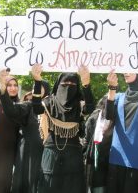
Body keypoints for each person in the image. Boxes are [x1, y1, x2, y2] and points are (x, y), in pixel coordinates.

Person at [31, 64, 95, 193]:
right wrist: (37, 81)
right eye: (65, 83)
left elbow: (90, 107)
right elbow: (36, 107)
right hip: (51, 151)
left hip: (73, 155)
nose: (68, 86)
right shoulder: (49, 101)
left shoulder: (79, 104)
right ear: (58, 84)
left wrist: (86, 84)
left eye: (72, 84)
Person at [0, 69, 51, 193]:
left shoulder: (53, 107)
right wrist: (2, 86)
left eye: (40, 87)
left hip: (47, 154)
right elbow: (11, 110)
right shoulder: (28, 106)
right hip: (28, 154)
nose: (36, 90)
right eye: (34, 87)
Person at [83, 96, 113, 193]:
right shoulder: (95, 117)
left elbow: (86, 141)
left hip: (100, 161)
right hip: (98, 162)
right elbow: (87, 140)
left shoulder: (95, 117)